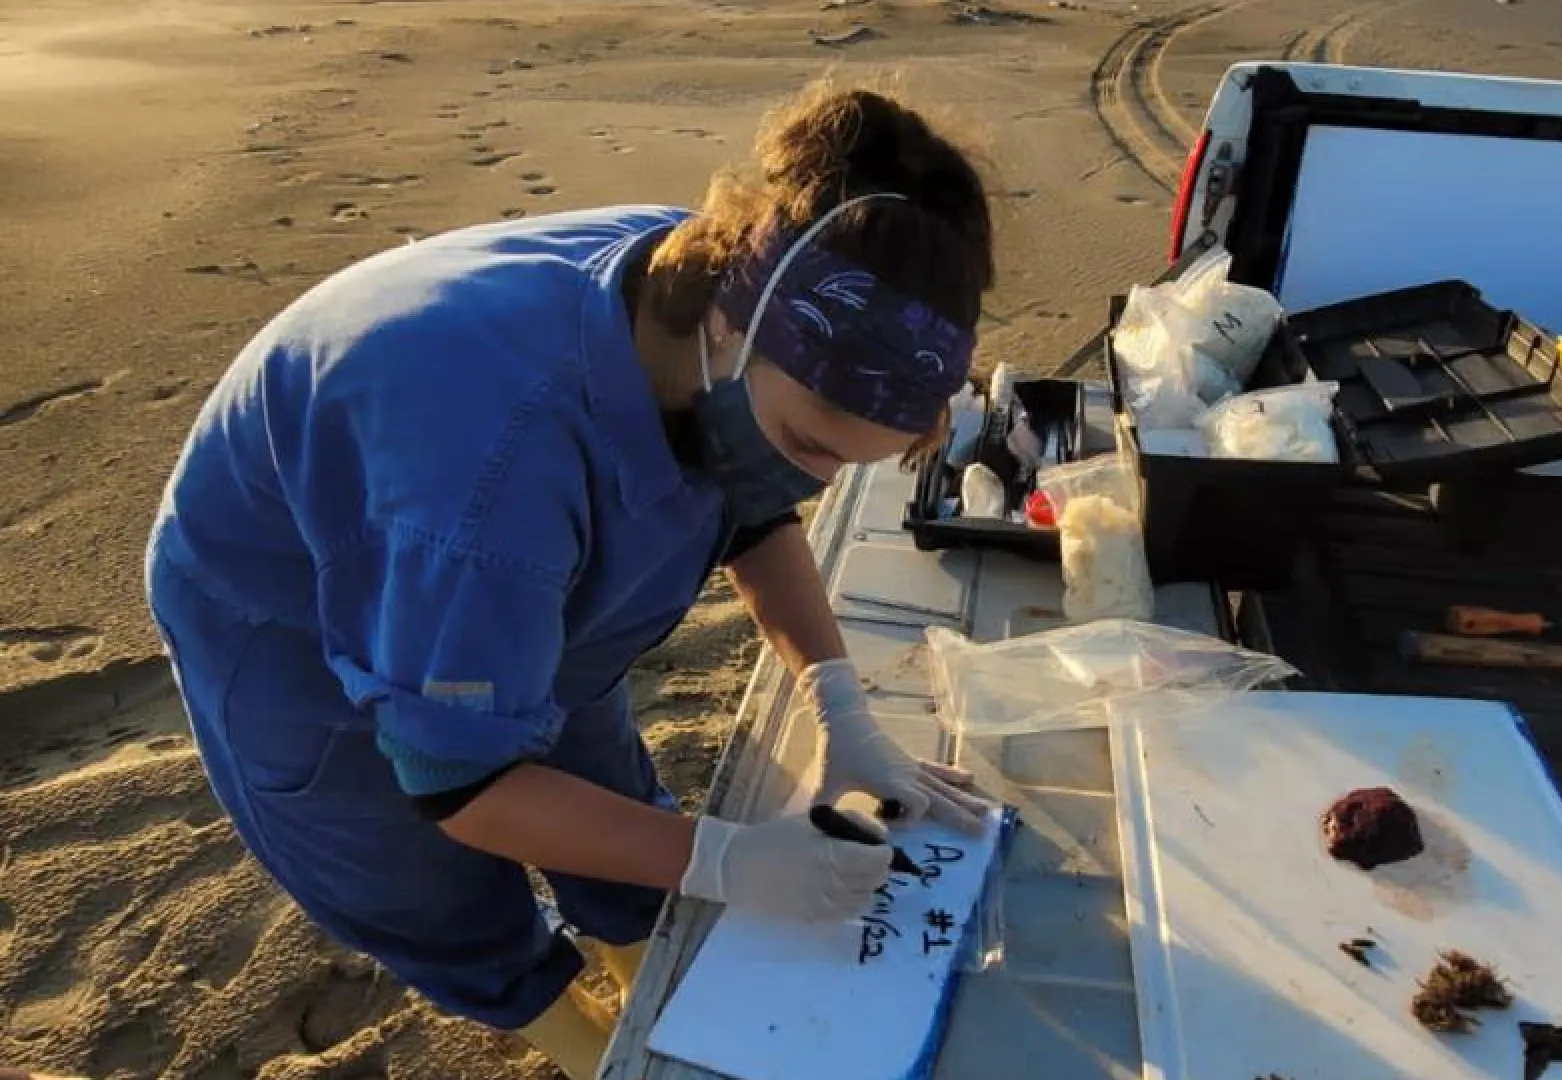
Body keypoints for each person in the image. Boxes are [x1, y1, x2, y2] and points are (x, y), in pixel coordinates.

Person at [143, 80, 995, 1079]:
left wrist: (839, 703)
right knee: (425, 878)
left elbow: (751, 505)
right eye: (809, 442)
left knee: (596, 776)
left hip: (479, 545)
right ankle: (587, 1041)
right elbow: (464, 785)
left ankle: (652, 965)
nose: (815, 482)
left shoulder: (723, 289)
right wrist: (726, 859)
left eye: (848, 464)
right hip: (295, 608)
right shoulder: (485, 482)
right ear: (731, 327)